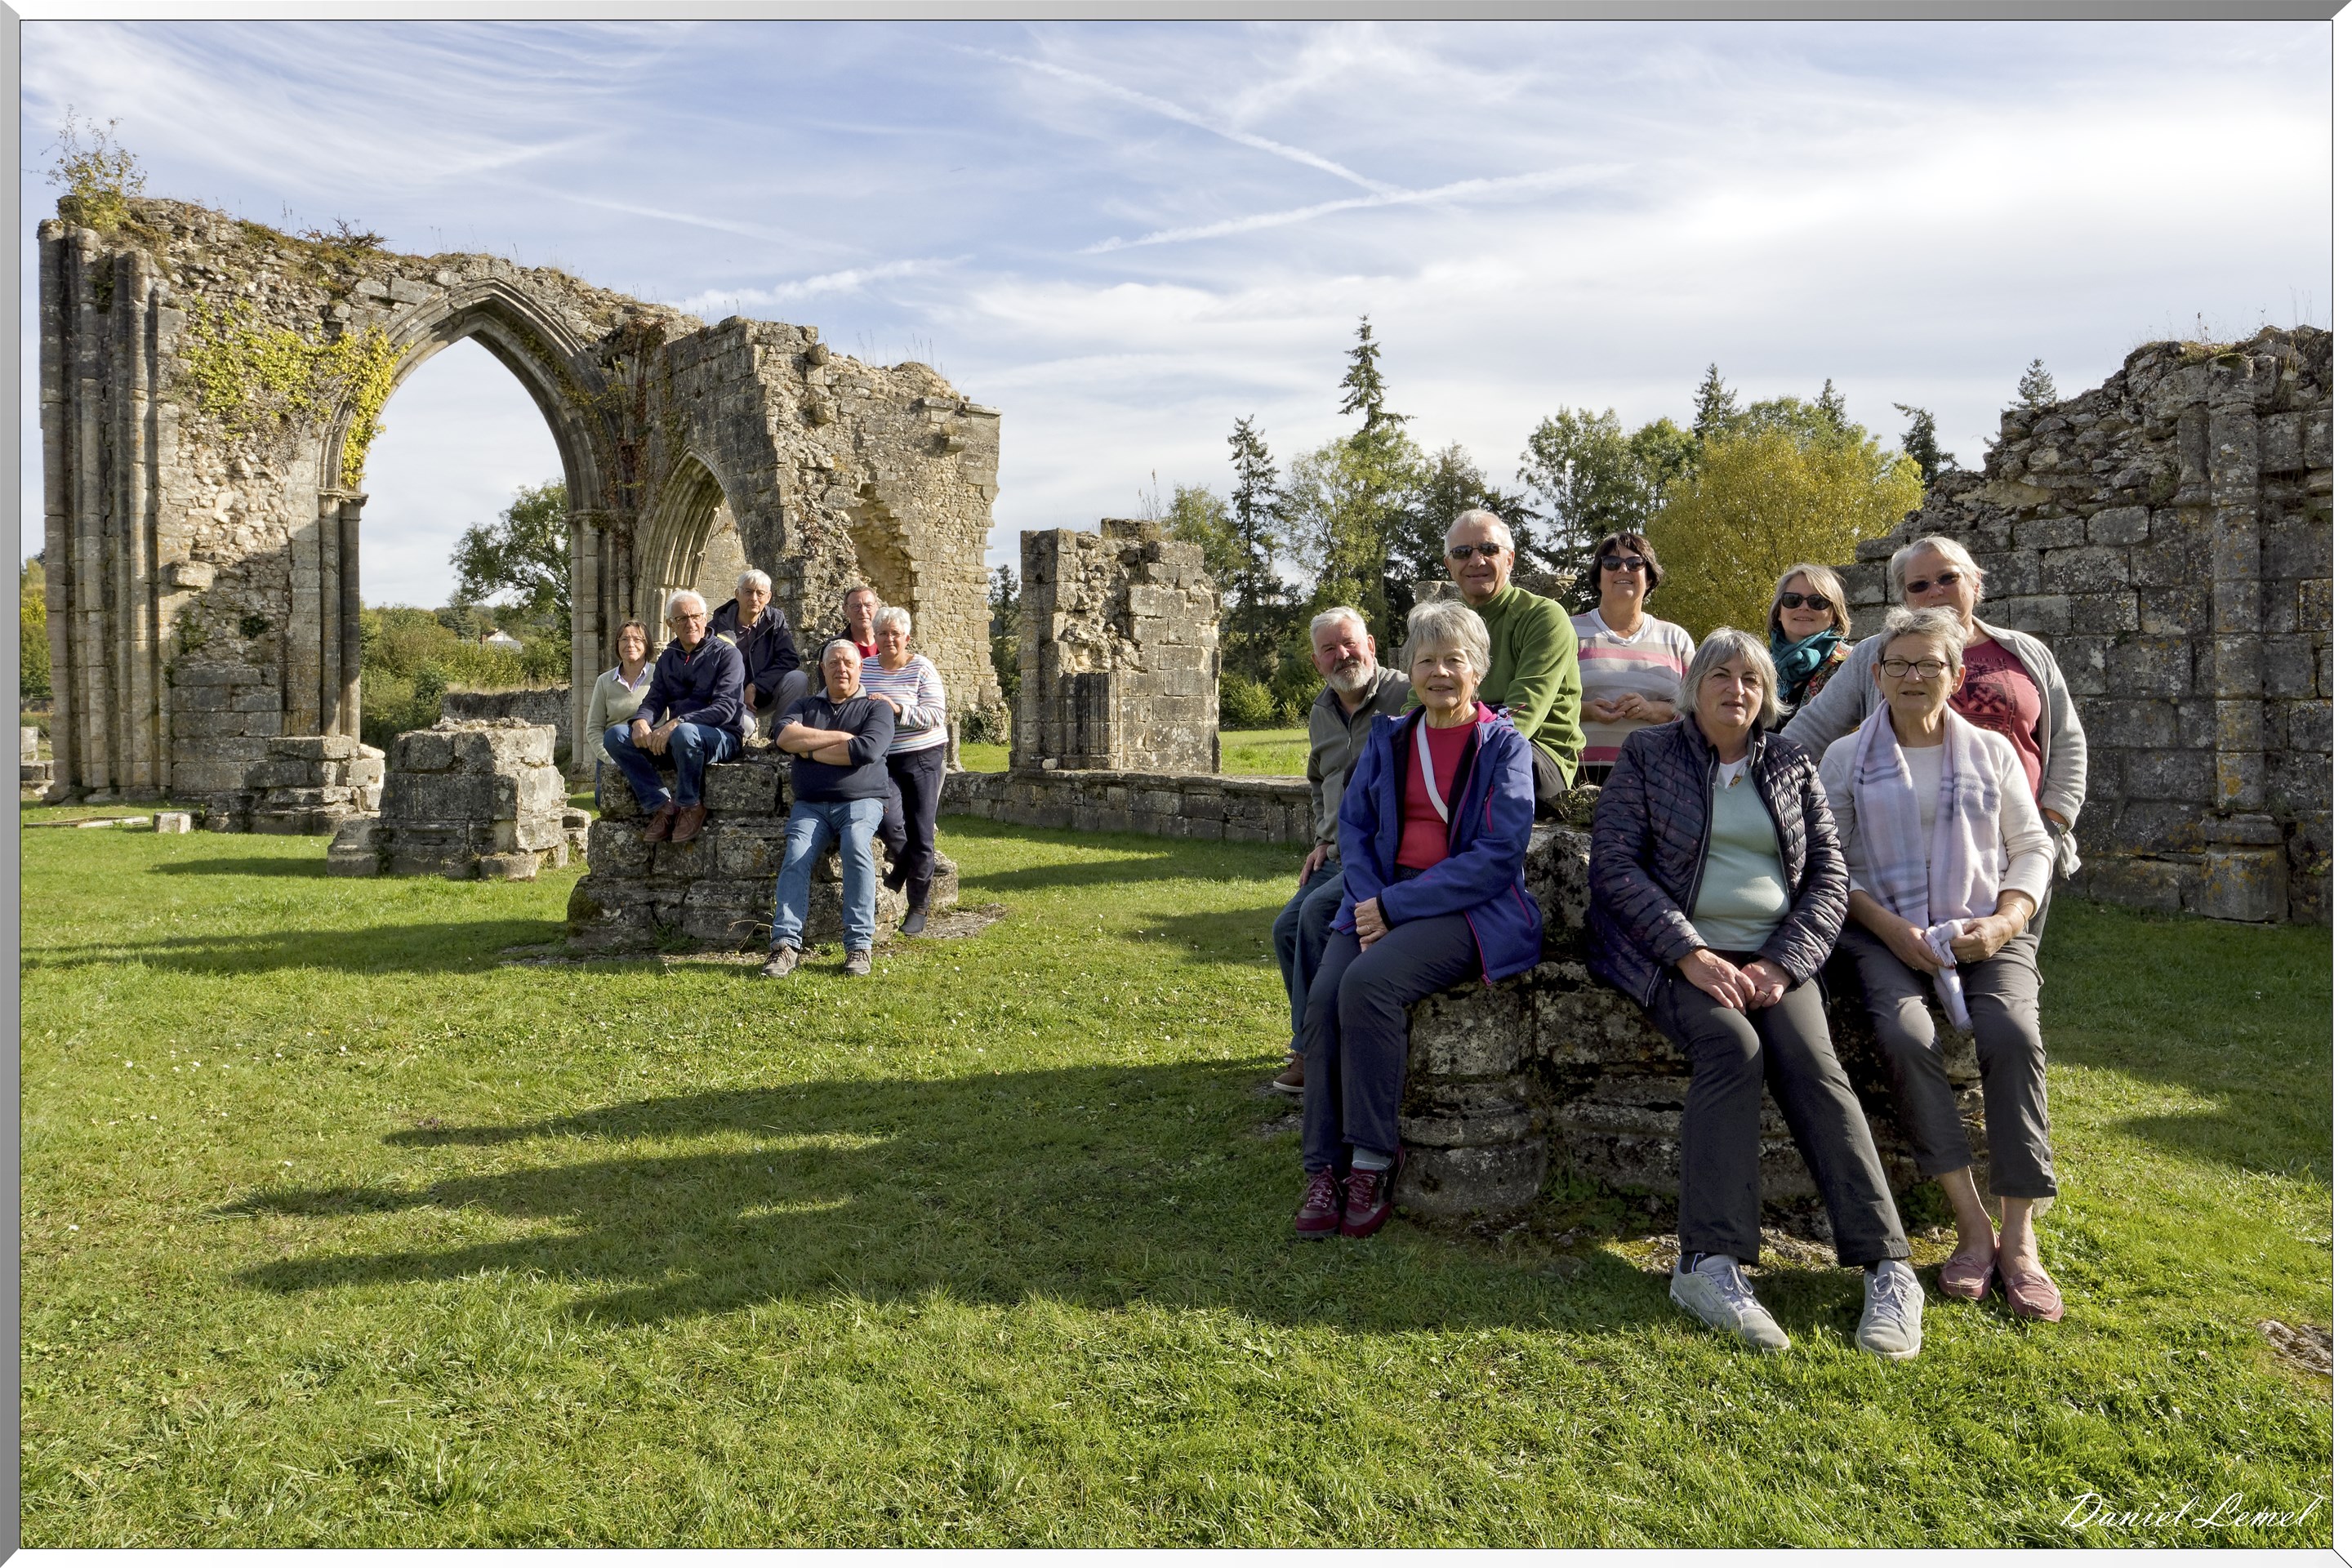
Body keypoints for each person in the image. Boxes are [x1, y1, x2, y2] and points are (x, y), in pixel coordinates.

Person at [1588, 626, 1922, 1361]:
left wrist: (1781, 963)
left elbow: (1830, 879)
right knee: (1731, 1047)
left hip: (1771, 957)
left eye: (1749, 679)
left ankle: (1889, 1267)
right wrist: (1689, 951)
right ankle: (1708, 1265)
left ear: (1766, 694)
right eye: (1720, 675)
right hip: (1671, 955)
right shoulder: (1649, 756)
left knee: (1813, 1063)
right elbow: (1614, 866)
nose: (1735, 690)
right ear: (1694, 685)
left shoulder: (1793, 764)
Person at [1821, 605, 2063, 1322]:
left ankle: (2020, 1240)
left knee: (2012, 1035)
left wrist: (2005, 923)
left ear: (1956, 676)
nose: (1913, 676)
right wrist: (1892, 931)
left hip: (1987, 924)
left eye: (1930, 664)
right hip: (1883, 929)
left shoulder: (1992, 752)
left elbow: (2032, 847)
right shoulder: (1846, 758)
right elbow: (1831, 865)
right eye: (1899, 664)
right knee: (1905, 1036)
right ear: (1877, 675)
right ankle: (1970, 1224)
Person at [1294, 599, 1540, 1242]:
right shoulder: (1389, 737)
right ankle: (1324, 1166)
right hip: (1381, 899)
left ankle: (1372, 1161)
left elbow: (1498, 855)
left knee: (1367, 986)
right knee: (1323, 999)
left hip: (1466, 910)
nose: (1438, 672)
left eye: (1453, 660)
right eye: (1425, 660)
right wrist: (1373, 902)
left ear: (1478, 670)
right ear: (1410, 667)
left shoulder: (1505, 747)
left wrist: (1393, 908)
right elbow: (1358, 828)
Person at [1783, 534, 2087, 929]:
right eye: (1919, 585)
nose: (1934, 592)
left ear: (1975, 583)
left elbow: (2066, 739)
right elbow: (1812, 728)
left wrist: (2054, 822)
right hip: (1905, 855)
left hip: (2016, 846)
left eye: (1947, 578)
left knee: (2005, 961)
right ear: (1904, 597)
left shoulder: (2025, 653)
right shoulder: (1875, 656)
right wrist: (1751, 771)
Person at [1270, 607, 1414, 1095]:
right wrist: (1321, 836)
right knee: (1287, 927)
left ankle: (1314, 1054)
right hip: (1336, 852)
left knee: (1313, 917)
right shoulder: (1321, 711)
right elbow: (1318, 780)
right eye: (1329, 649)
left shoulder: (1404, 693)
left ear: (1371, 644)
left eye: (1349, 643)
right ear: (1317, 661)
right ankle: (1314, 1039)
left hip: (1382, 853)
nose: (1342, 655)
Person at [764, 640, 898, 978]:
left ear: (860, 668)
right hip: (811, 804)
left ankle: (858, 945)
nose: (841, 669)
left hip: (862, 800)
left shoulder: (875, 708)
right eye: (834, 663)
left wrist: (807, 751)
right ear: (821, 669)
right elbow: (783, 737)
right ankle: (785, 946)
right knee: (796, 853)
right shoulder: (804, 704)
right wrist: (840, 738)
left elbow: (866, 751)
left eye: (848, 663)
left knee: (856, 845)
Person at [1441, 509, 1583, 817]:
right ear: (1449, 566)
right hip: (1458, 743)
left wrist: (1444, 746)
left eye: (1489, 549)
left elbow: (1521, 717)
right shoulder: (1445, 627)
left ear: (1510, 559)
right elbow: (1416, 702)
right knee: (1369, 766)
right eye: (1463, 552)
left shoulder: (1543, 618)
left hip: (1536, 754)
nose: (1476, 561)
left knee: (1502, 768)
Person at [603, 590, 746, 845]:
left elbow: (725, 708)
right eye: (682, 619)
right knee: (615, 736)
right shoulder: (669, 657)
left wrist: (678, 721)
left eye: (696, 617)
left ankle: (690, 805)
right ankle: (662, 804)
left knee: (684, 732)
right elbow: (655, 699)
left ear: (706, 618)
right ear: (670, 624)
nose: (690, 623)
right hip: (680, 738)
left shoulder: (727, 654)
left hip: (722, 736)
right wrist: (642, 721)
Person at [1573, 531, 1695, 786]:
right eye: (1611, 564)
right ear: (1598, 578)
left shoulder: (1676, 639)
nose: (1623, 570)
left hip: (1658, 781)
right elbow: (1546, 703)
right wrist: (1585, 711)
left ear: (1649, 578)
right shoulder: (1567, 632)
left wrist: (1653, 710)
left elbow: (1699, 710)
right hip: (1578, 779)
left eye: (1635, 563)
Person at [862, 606, 951, 938]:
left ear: (906, 638)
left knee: (921, 829)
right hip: (883, 758)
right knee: (887, 820)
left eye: (895, 634)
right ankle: (902, 864)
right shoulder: (866, 668)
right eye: (882, 633)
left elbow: (936, 714)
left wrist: (898, 709)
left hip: (923, 755)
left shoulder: (921, 668)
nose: (888, 639)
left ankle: (919, 906)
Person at [708, 568, 806, 742]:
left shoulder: (775, 620)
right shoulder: (718, 626)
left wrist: (756, 686)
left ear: (768, 598)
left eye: (760, 593)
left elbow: (789, 658)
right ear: (737, 594)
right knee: (744, 727)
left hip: (765, 693)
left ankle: (780, 734)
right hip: (730, 697)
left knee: (798, 679)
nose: (754, 598)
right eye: (748, 592)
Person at [1766, 564, 1852, 724]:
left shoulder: (1852, 666)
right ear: (1778, 612)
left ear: (1834, 614)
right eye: (1793, 600)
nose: (1804, 607)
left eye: (1817, 602)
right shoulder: (1756, 666)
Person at [584, 620, 653, 791]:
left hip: (648, 754)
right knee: (606, 805)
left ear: (647, 644)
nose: (630, 644)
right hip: (612, 755)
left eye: (637, 639)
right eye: (624, 639)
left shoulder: (660, 676)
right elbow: (594, 728)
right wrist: (610, 759)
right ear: (617, 644)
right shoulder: (604, 681)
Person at [839, 584, 881, 660]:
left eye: (868, 605)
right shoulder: (835, 648)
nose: (863, 611)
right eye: (856, 606)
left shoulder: (890, 643)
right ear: (845, 609)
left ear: (877, 607)